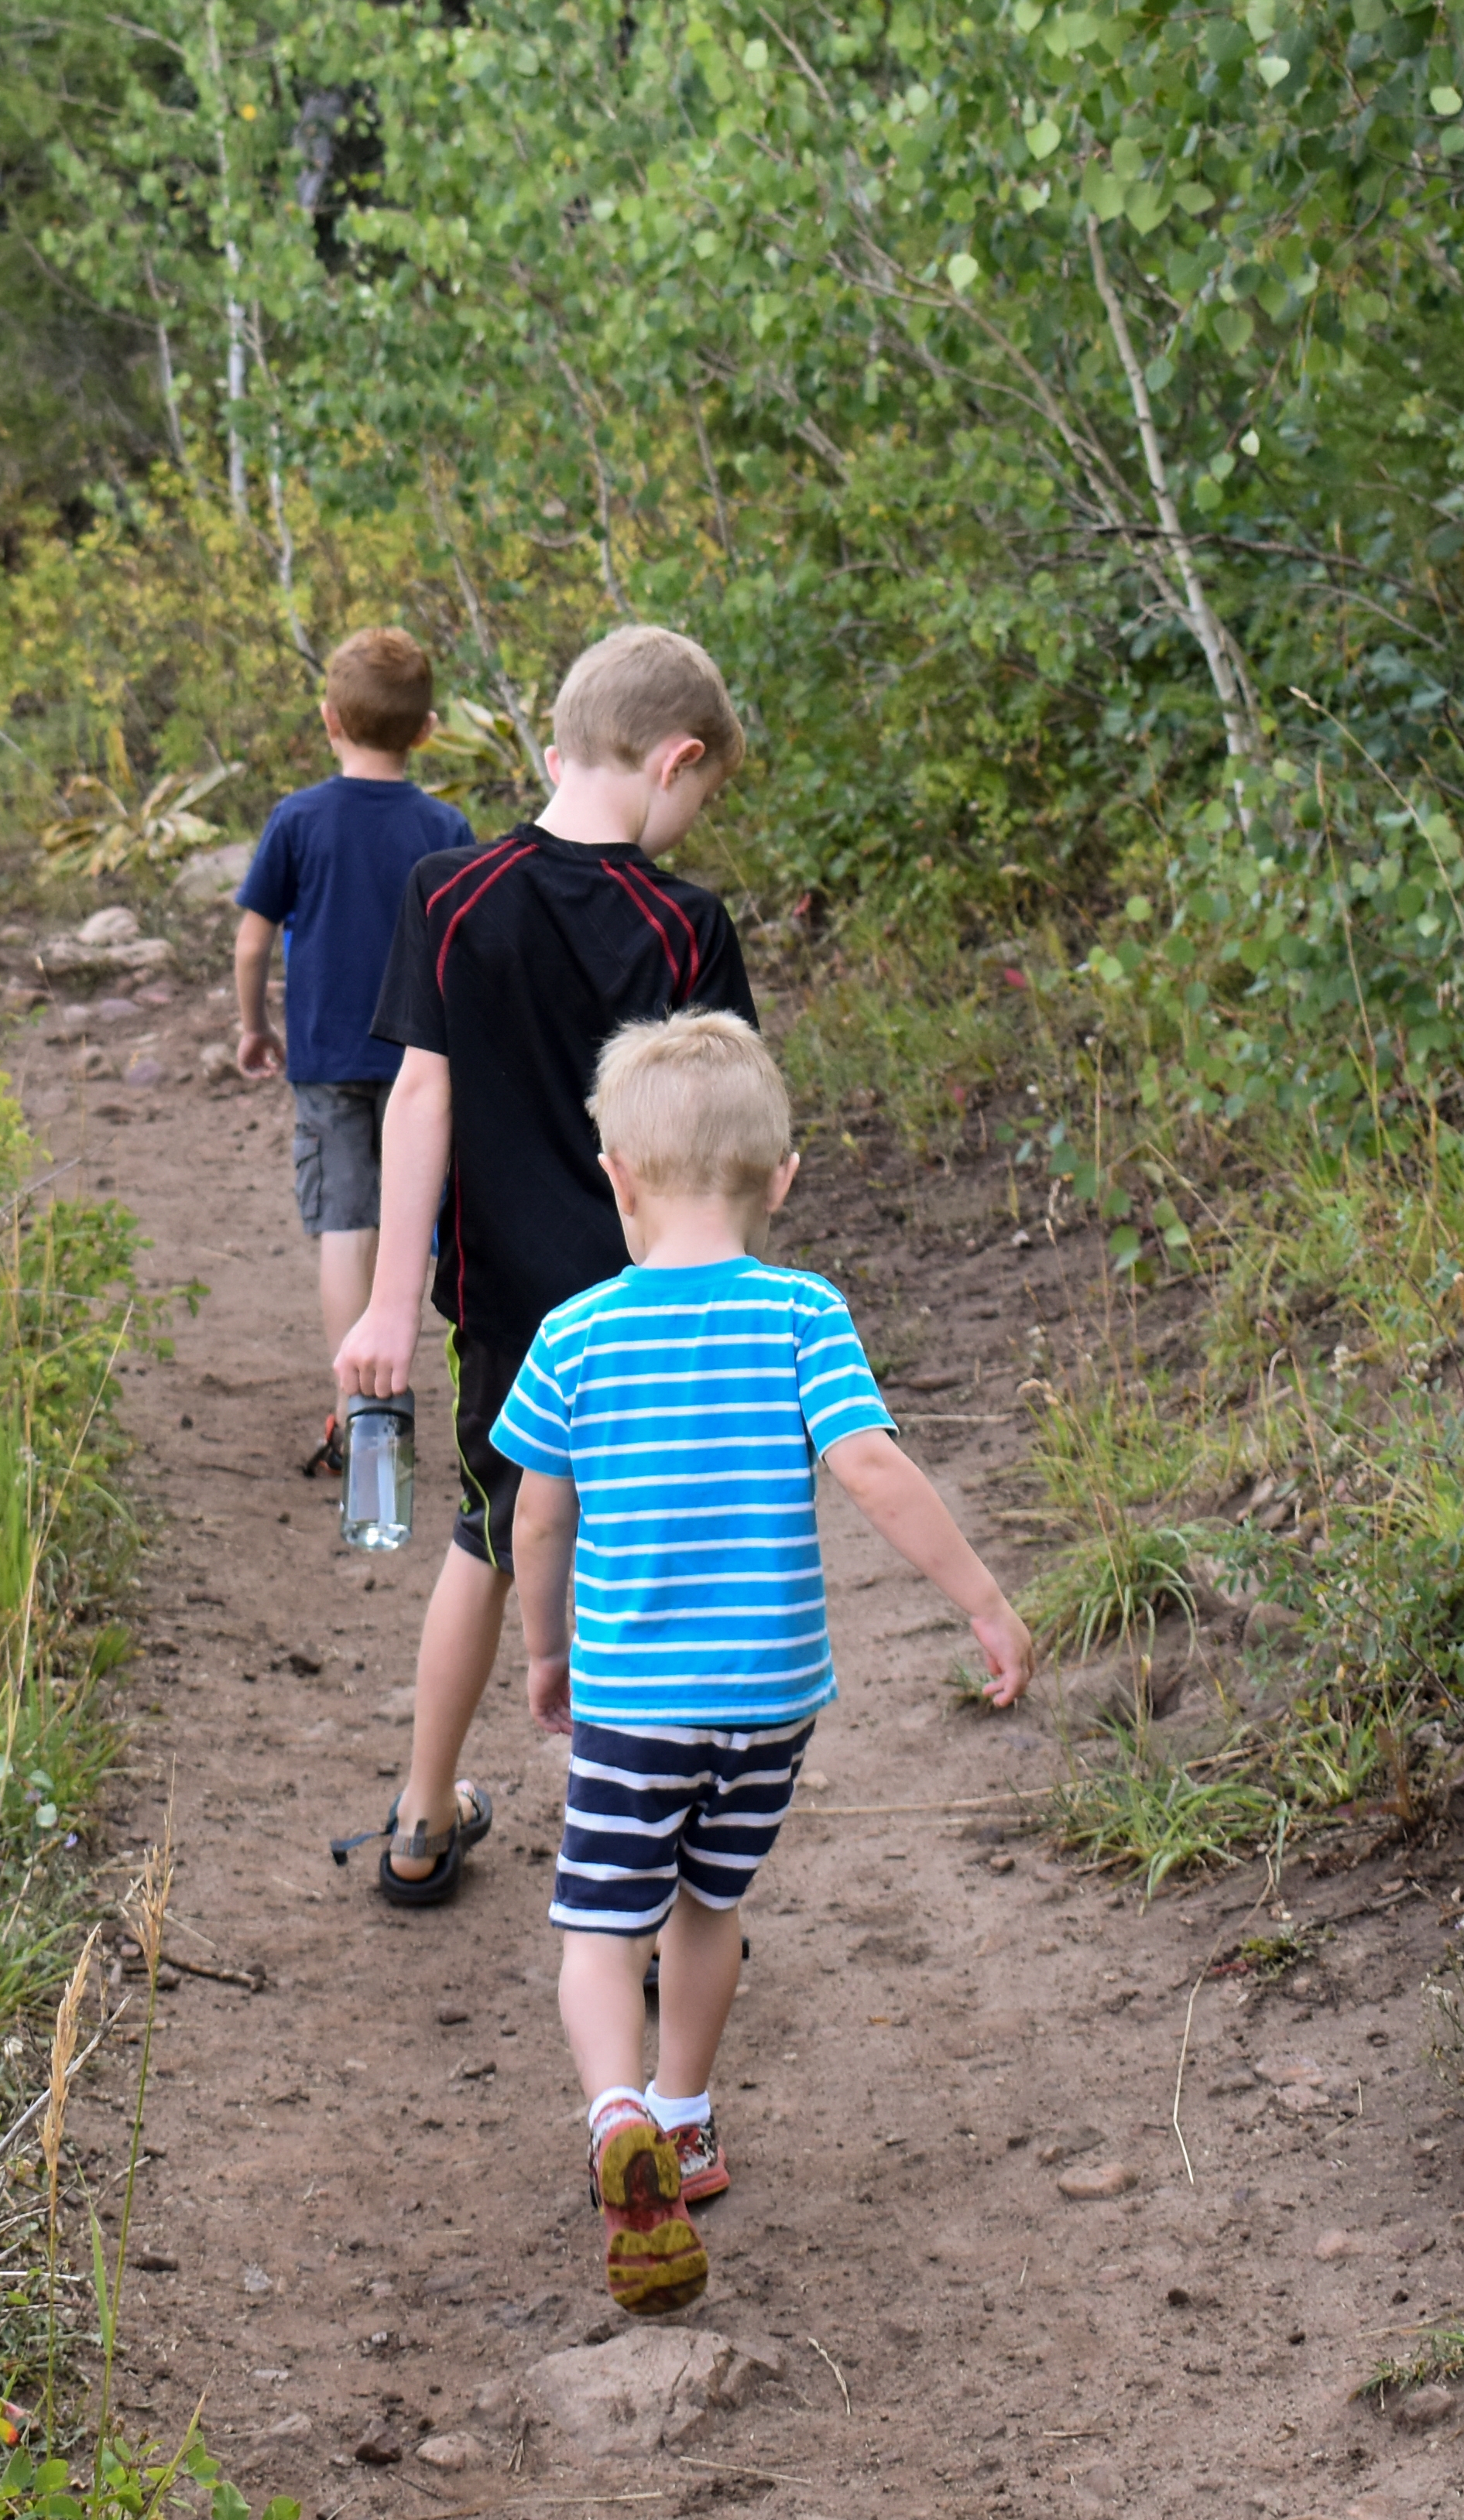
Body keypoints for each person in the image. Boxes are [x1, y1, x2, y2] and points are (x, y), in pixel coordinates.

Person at [496, 1011, 1033, 2313]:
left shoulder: (576, 1335)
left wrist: (545, 1649)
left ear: (614, 1175)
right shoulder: (804, 1312)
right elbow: (871, 1466)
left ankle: (616, 2109)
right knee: (705, 1907)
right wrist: (982, 1601)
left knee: (598, 1924)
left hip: (636, 1702)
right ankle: (685, 2120)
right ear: (781, 1179)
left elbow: (537, 1514)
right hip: (772, 1703)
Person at [330, 624, 758, 1909]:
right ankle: (648, 1872)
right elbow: (724, 1140)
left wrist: (391, 1306)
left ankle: (420, 1816)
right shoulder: (685, 927)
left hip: (515, 1318)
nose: (695, 818)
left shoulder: (452, 895)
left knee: (490, 1540)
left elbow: (418, 1098)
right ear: (675, 759)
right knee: (646, 1574)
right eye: (705, 792)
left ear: (563, 742)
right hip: (663, 1311)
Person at [233, 631, 479, 1472]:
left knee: (346, 1220)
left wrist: (253, 1025)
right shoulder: (445, 825)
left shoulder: (297, 819)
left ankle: (358, 1404)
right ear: (426, 730)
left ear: (329, 719)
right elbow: (469, 942)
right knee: (427, 1218)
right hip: (427, 1060)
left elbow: (252, 940)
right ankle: (456, 1388)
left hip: (328, 1056)